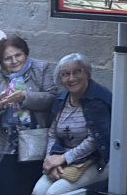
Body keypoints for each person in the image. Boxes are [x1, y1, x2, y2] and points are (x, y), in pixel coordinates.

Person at [0, 35, 56, 195]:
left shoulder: (41, 68)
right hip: (4, 145)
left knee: (29, 187)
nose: (14, 61)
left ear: (25, 53)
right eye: (7, 58)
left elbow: (51, 99)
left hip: (34, 143)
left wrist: (25, 97)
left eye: (18, 55)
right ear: (1, 62)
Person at [32, 53, 111, 195]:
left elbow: (95, 139)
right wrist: (50, 161)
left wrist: (63, 158)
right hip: (62, 159)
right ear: (61, 79)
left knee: (54, 193)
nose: (72, 78)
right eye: (65, 74)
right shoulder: (60, 99)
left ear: (87, 73)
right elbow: (52, 134)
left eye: (77, 71)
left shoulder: (99, 99)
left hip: (93, 161)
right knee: (38, 191)